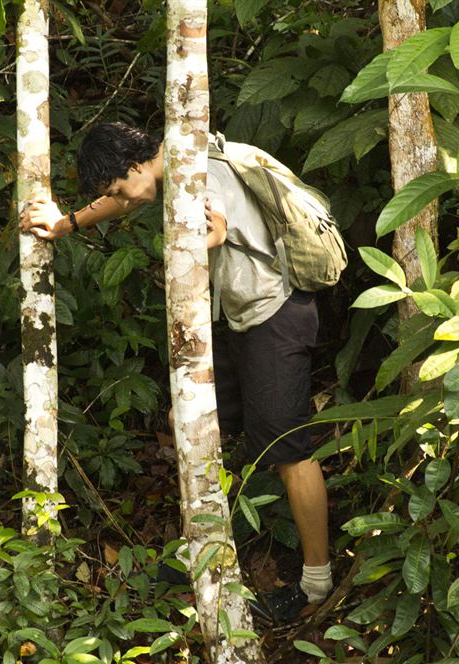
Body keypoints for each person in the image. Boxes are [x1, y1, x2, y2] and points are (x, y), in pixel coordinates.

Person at [20, 122, 332, 621]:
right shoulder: (174, 158)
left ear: (139, 164)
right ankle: (207, 542)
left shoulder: (200, 177)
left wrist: (200, 245)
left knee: (287, 448)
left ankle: (317, 582)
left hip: (277, 312)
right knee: (189, 423)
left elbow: (214, 226)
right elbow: (126, 200)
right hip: (239, 317)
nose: (121, 198)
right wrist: (67, 224)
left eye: (120, 184)